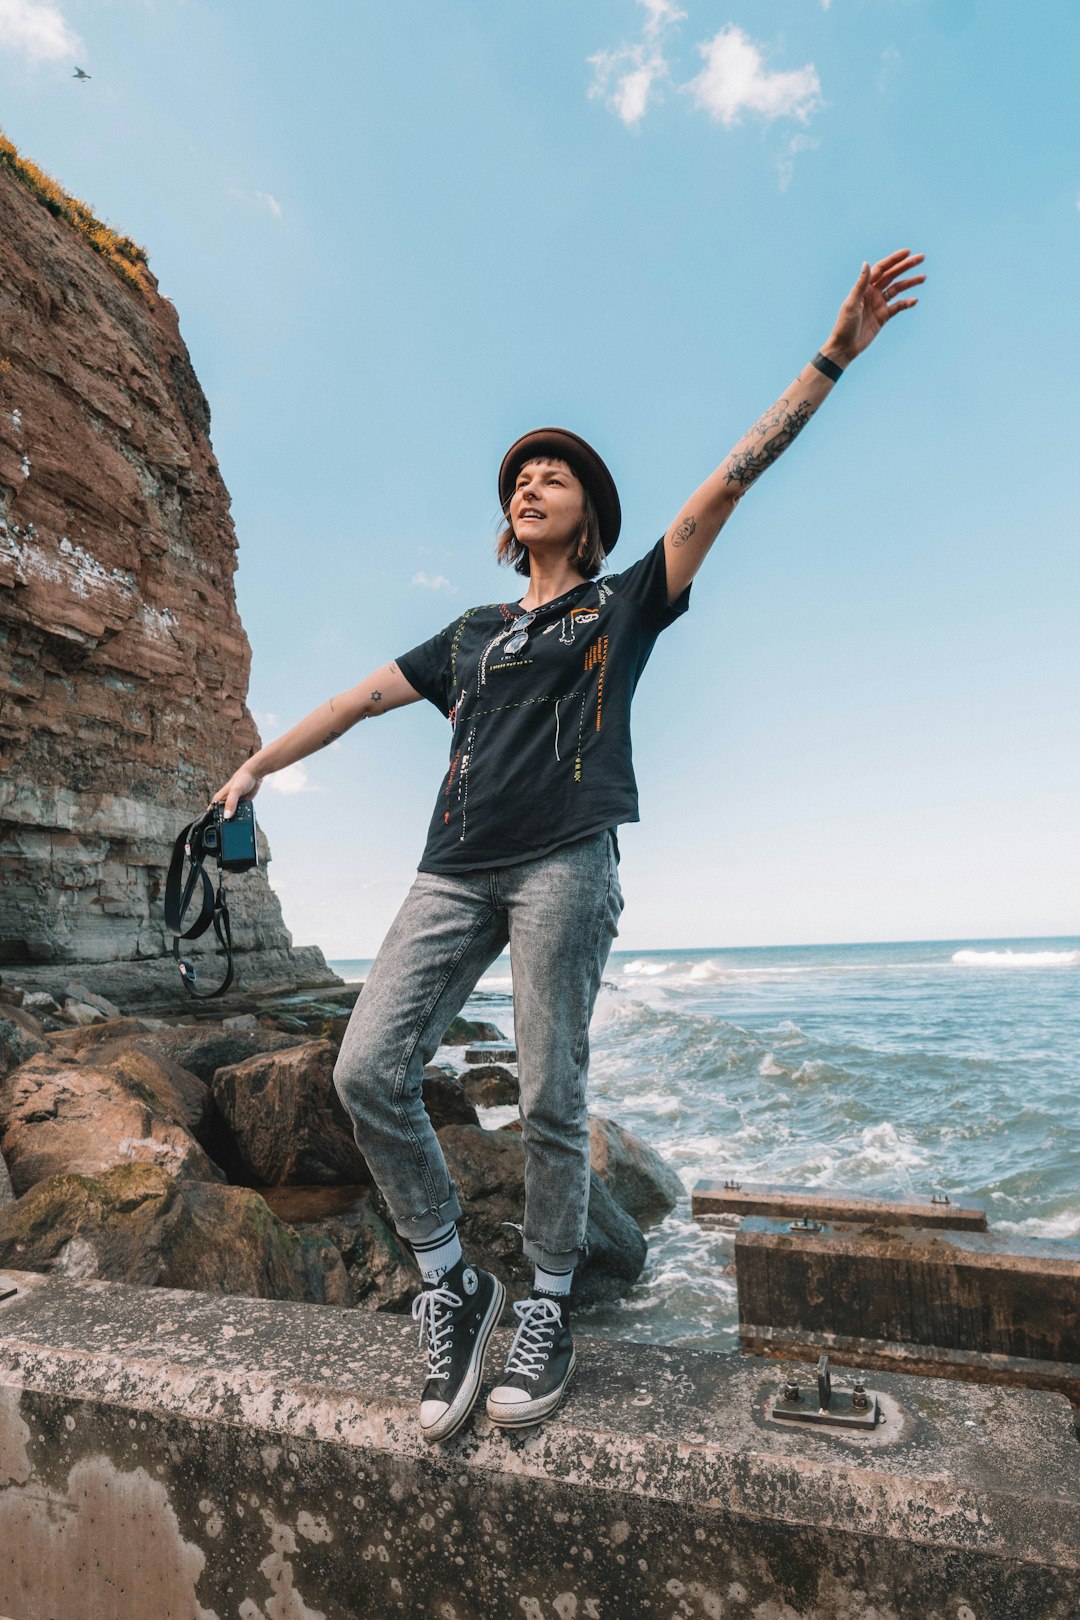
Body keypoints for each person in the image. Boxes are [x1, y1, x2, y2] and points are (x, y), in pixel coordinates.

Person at [211, 249, 924, 1442]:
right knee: (364, 1071)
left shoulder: (624, 602)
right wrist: (255, 765)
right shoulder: (474, 632)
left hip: (565, 865)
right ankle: (455, 1281)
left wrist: (832, 358)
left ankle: (547, 1304)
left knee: (550, 1096)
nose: (532, 485)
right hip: (452, 867)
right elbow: (356, 701)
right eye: (521, 478)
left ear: (589, 511)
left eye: (555, 476)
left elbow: (720, 494)